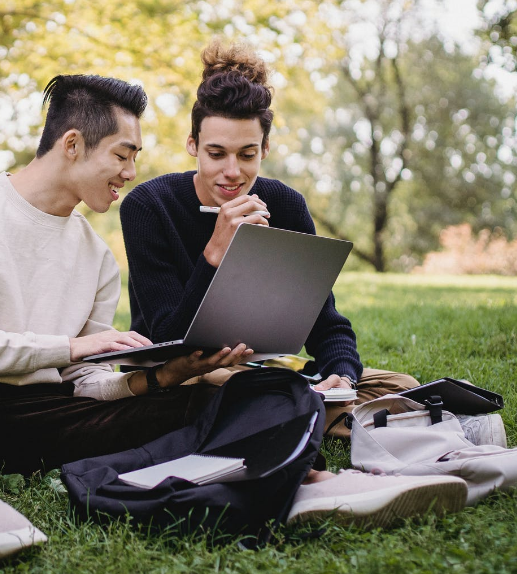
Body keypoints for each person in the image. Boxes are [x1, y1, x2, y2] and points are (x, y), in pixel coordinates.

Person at [0, 74, 255, 574]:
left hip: (49, 416)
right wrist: (71, 347)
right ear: (73, 144)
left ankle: (294, 477)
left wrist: (162, 377)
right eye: (122, 155)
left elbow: (84, 385)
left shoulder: (98, 258)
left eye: (135, 159)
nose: (130, 173)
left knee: (204, 396)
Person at [119, 41, 420, 438]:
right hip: (188, 377)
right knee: (244, 391)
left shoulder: (286, 206)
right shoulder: (149, 206)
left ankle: (336, 412)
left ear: (265, 148)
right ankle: (391, 428)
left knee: (401, 387)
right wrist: (215, 252)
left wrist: (342, 378)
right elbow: (167, 340)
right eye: (216, 154)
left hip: (269, 368)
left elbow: (326, 323)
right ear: (193, 145)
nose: (232, 172)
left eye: (247, 154)